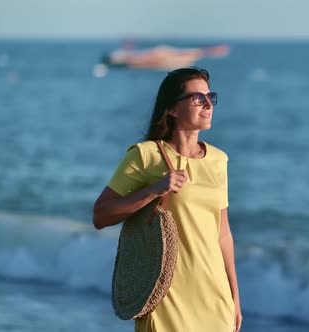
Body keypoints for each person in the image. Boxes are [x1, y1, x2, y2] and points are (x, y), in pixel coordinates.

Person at [93, 67, 242, 332]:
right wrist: (154, 190)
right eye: (198, 98)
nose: (208, 105)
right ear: (173, 109)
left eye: (211, 97)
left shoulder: (219, 160)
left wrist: (234, 299)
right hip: (164, 298)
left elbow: (223, 235)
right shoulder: (145, 155)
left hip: (214, 300)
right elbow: (101, 215)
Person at [101, 44, 230, 70]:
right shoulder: (133, 60)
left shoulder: (130, 59)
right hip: (160, 55)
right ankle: (216, 49)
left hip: (160, 54)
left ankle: (216, 49)